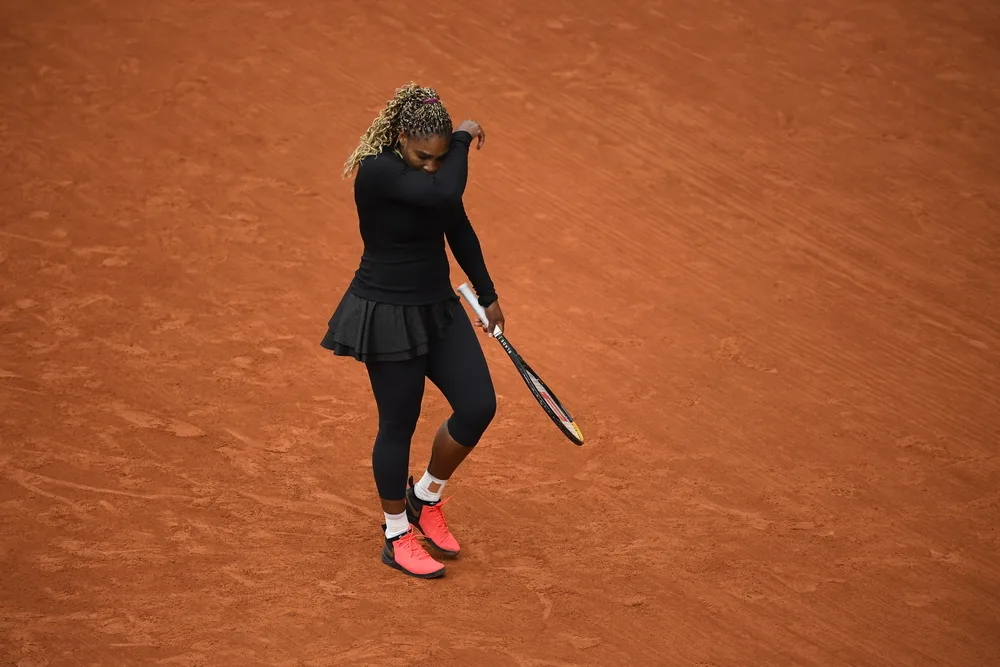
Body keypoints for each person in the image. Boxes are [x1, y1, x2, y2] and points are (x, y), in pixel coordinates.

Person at [320, 83, 503, 579]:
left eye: (440, 157)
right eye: (424, 156)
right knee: (398, 423)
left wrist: (487, 294)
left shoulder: (434, 173)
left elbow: (457, 224)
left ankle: (425, 497)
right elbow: (444, 190)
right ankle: (396, 532)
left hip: (437, 308)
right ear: (401, 138)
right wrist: (463, 138)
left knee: (478, 405)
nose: (432, 165)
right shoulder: (378, 172)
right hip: (387, 313)